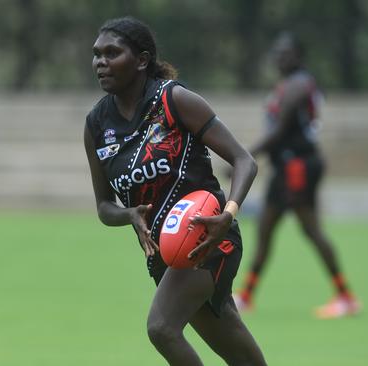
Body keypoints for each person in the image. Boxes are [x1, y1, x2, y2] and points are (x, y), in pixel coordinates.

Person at [84, 16, 267, 366]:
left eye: (112, 53)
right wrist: (129, 215)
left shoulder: (174, 100)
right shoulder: (96, 125)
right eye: (96, 54)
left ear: (141, 60)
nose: (101, 62)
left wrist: (226, 215)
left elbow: (245, 161)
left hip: (208, 240)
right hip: (163, 255)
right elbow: (104, 207)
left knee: (161, 328)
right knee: (240, 355)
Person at [232, 32, 361, 319]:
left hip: (298, 167)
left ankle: (346, 297)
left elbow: (278, 132)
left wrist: (243, 158)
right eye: (277, 53)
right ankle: (245, 296)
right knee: (265, 228)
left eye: (287, 53)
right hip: (287, 166)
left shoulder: (299, 85)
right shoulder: (288, 85)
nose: (281, 57)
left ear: (299, 57)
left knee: (310, 229)